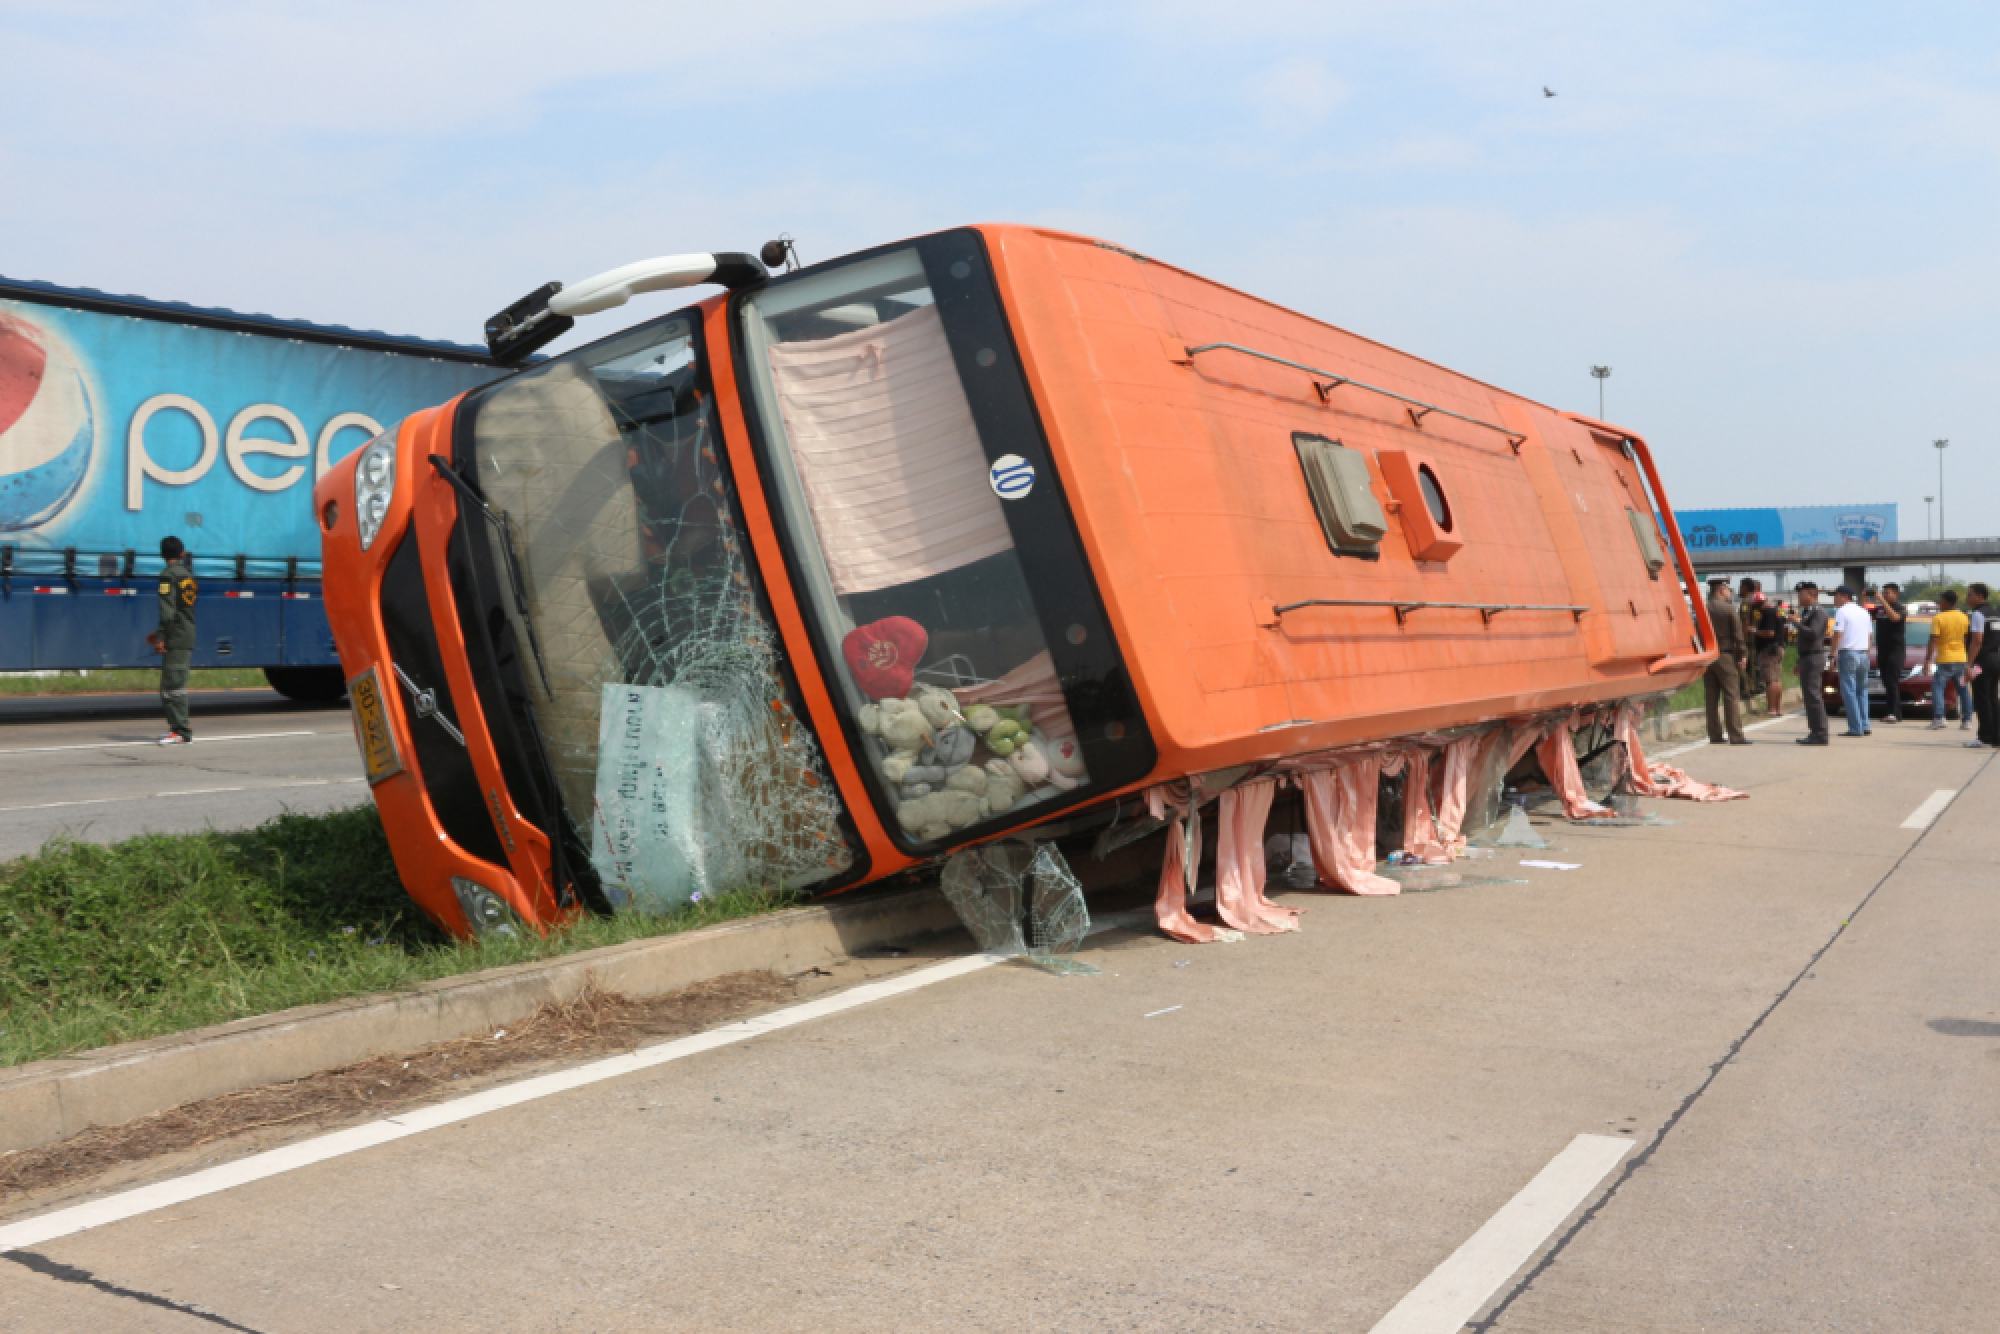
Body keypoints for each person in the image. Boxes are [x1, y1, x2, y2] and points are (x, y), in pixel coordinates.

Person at [146, 536, 198, 745]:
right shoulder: (187, 576)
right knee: (175, 682)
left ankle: (180, 730)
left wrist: (161, 637)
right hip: (186, 632)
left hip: (175, 636)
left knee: (173, 685)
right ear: (182, 554)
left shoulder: (168, 577)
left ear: (161, 555)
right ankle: (178, 728)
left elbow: (167, 612)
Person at [1703, 576, 1749, 745]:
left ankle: (1714, 735)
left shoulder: (1703, 608)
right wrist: (1742, 655)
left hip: (1707, 657)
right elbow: (1738, 635)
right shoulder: (1729, 609)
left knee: (1711, 697)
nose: (1730, 593)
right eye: (1729, 590)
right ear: (1722, 590)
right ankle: (1736, 735)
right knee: (1731, 696)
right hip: (1725, 656)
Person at [1923, 588, 1971, 731]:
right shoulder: (1964, 617)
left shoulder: (1939, 618)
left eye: (1941, 600)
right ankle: (1967, 720)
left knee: (1938, 688)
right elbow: (1967, 638)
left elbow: (1933, 639)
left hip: (1944, 660)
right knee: (1963, 690)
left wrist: (1927, 660)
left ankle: (1939, 718)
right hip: (1961, 659)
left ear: (1945, 601)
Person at [1830, 586, 1873, 736]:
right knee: (1862, 691)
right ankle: (1865, 724)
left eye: (1835, 596)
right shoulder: (1864, 611)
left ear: (1843, 596)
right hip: (1863, 653)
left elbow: (1838, 635)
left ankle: (1856, 728)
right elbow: (1870, 636)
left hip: (1848, 653)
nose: (1834, 599)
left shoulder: (1842, 611)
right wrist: (1867, 652)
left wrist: (1832, 655)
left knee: (1849, 691)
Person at [1793, 582, 1831, 746]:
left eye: (1801, 594)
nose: (1799, 597)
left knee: (1814, 697)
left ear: (1810, 595)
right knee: (1809, 697)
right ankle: (1815, 732)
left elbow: (1813, 633)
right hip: (1806, 657)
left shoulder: (1818, 612)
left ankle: (1820, 733)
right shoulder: (1808, 612)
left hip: (1813, 658)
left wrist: (1796, 622)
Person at [1966, 583, 2000, 748]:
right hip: (1996, 658)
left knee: (1982, 699)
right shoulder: (1995, 614)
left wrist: (1969, 664)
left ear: (1980, 596)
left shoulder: (1978, 614)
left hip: (1982, 661)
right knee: (1993, 698)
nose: (1967, 598)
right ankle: (1996, 736)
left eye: (1970, 594)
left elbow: (1977, 640)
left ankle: (1984, 737)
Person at [1873, 582, 1909, 724]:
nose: (1885, 595)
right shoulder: (1879, 610)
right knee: (1886, 682)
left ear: (1896, 594)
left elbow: (1895, 618)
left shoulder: (1901, 608)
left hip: (1896, 650)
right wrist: (1864, 598)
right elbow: (1864, 615)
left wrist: (1882, 600)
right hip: (1882, 650)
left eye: (1888, 593)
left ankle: (1894, 713)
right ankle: (1892, 712)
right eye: (1884, 592)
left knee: (1892, 681)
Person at [1748, 580, 1786, 716]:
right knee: (1776, 679)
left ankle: (1771, 709)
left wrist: (1754, 631)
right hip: (1779, 647)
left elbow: (1770, 632)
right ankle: (1777, 708)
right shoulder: (1778, 610)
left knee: (1770, 680)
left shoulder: (1768, 612)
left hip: (1770, 650)